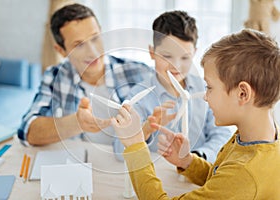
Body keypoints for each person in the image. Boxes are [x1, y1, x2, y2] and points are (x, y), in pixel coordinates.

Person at [111, 29, 280, 199]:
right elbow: (223, 180)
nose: (205, 97)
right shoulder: (261, 136)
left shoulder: (245, 172)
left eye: (210, 87)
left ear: (242, 93)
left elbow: (235, 179)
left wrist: (136, 146)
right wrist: (188, 162)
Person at [17, 3, 151, 146]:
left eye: (95, 38)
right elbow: (27, 131)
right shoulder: (55, 76)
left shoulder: (139, 72)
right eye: (79, 45)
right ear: (61, 50)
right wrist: (77, 123)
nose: (92, 52)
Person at [113, 11, 232, 163]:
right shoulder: (138, 96)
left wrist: (194, 159)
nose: (176, 66)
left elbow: (222, 134)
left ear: (194, 53)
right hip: (158, 177)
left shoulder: (206, 90)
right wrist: (146, 129)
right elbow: (119, 151)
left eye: (185, 57)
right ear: (152, 52)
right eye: (167, 56)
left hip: (200, 174)